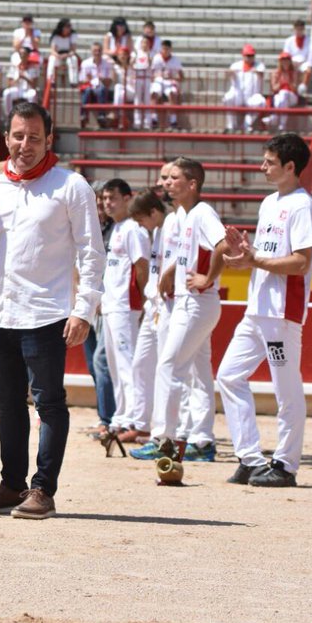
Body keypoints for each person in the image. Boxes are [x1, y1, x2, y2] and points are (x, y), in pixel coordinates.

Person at [0, 100, 103, 520]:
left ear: (49, 139)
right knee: (8, 405)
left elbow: (92, 252)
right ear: (5, 139)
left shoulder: (71, 186)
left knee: (49, 403)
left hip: (49, 312)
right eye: (18, 136)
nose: (26, 145)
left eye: (35, 137)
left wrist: (85, 309)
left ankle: (43, 489)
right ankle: (11, 484)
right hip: (0, 313)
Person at [217, 133, 312, 488]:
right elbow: (267, 256)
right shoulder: (269, 202)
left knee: (285, 389)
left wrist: (255, 257)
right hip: (258, 308)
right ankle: (249, 457)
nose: (262, 167)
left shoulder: (303, 206)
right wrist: (247, 254)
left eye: (269, 162)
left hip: (281, 314)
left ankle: (286, 465)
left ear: (290, 167)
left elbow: (300, 263)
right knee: (229, 376)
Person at [131, 158, 228, 463]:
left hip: (196, 301)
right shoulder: (185, 214)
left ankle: (165, 439)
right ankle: (201, 440)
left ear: (192, 184)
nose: (167, 183)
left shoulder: (201, 213)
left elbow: (223, 246)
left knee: (169, 366)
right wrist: (172, 270)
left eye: (174, 178)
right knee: (198, 372)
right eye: (167, 178)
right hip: (193, 301)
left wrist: (207, 277)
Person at [95, 178, 149, 452]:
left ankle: (135, 420)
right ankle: (122, 416)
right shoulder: (116, 228)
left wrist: (140, 301)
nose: (107, 203)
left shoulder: (133, 230)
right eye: (105, 198)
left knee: (128, 364)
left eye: (112, 198)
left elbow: (141, 266)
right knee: (115, 365)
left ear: (128, 198)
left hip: (127, 305)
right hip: (113, 304)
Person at [125, 188, 168, 444]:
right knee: (141, 364)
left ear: (153, 212)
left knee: (167, 367)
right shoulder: (158, 230)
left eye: (142, 220)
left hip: (165, 305)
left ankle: (169, 432)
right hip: (154, 305)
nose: (141, 226)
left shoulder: (171, 225)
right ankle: (142, 425)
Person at [223, 44, 267, 133]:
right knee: (228, 97)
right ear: (243, 56)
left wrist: (256, 72)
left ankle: (247, 126)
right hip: (238, 94)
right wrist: (230, 73)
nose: (250, 58)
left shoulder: (259, 65)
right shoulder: (236, 65)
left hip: (253, 94)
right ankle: (231, 126)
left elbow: (262, 74)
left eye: (252, 56)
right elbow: (227, 75)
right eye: (248, 56)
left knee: (261, 101)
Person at [78, 42, 114, 128]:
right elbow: (81, 81)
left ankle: (101, 115)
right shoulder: (86, 63)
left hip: (101, 89)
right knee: (87, 90)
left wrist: (102, 79)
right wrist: (88, 79)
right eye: (95, 50)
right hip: (89, 87)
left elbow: (109, 82)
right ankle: (83, 115)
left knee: (101, 89)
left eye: (99, 50)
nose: (97, 52)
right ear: (91, 51)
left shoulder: (107, 64)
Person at [150, 40, 184, 130]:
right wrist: (156, 76)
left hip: (170, 81)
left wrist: (173, 77)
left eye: (167, 49)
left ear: (170, 49)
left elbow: (181, 77)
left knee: (172, 94)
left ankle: (173, 121)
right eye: (163, 49)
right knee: (154, 93)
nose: (165, 51)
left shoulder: (175, 60)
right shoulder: (156, 58)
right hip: (158, 80)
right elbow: (151, 74)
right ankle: (154, 119)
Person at [2, 46, 40, 115]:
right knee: (6, 93)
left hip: (28, 90)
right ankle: (9, 116)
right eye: (20, 54)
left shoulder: (33, 67)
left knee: (33, 94)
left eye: (24, 53)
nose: (22, 55)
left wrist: (25, 77)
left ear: (28, 55)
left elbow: (34, 85)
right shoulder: (14, 67)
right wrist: (17, 78)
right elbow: (8, 84)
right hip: (17, 89)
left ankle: (32, 116)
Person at [46, 17, 79, 85]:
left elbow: (73, 50)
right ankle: (51, 80)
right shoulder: (56, 36)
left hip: (68, 54)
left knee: (73, 59)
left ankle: (73, 81)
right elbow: (52, 50)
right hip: (58, 55)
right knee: (52, 59)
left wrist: (67, 55)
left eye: (70, 26)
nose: (69, 28)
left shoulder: (72, 35)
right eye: (67, 26)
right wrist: (58, 56)